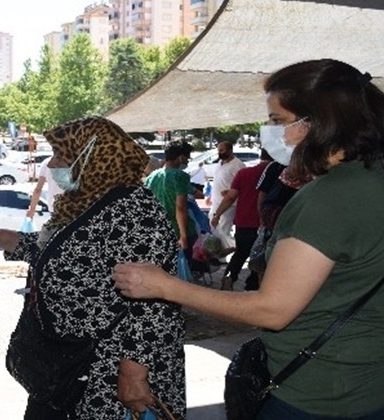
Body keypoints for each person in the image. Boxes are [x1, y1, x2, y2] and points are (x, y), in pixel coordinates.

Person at [113, 59, 384, 419]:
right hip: (362, 382)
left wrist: (165, 286)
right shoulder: (371, 177)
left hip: (315, 395)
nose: (270, 132)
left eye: (277, 121)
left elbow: (271, 310)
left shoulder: (330, 197)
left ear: (318, 122)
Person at [0, 116, 186, 420]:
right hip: (67, 364)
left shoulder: (135, 211)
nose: (52, 163)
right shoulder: (81, 203)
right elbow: (52, 250)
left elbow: (154, 302)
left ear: (93, 157)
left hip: (109, 371)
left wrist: (134, 373)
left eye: (62, 154)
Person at [210, 149, 272, 291]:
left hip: (243, 221)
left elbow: (230, 197)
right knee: (262, 256)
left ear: (260, 156)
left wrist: (217, 214)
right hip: (265, 223)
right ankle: (253, 285)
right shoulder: (277, 174)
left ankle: (229, 277)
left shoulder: (244, 173)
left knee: (241, 253)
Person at [145, 140, 198, 268]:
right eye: (187, 158)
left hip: (158, 230)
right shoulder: (180, 176)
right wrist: (183, 236)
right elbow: (180, 207)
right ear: (180, 157)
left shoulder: (152, 176)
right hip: (177, 230)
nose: (188, 161)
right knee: (182, 270)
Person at [207, 141, 245, 251]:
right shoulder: (220, 163)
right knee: (214, 229)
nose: (220, 153)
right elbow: (217, 181)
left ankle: (221, 254)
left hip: (229, 205)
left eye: (222, 150)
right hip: (216, 202)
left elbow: (243, 185)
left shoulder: (238, 166)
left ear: (230, 150)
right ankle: (216, 253)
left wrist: (230, 191)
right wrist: (210, 196)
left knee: (223, 230)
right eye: (218, 151)